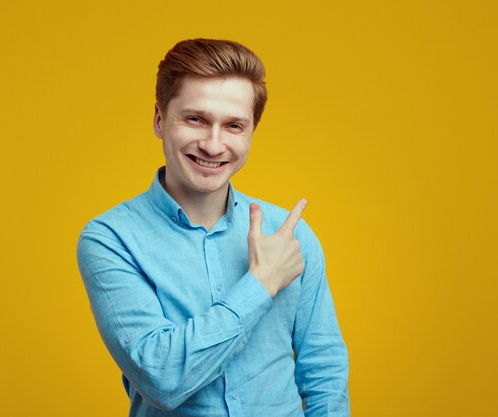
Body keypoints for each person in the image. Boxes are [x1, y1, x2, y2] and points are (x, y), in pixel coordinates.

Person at [77, 38, 349, 417]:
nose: (213, 144)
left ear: (251, 132)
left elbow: (324, 373)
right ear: (159, 120)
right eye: (195, 119)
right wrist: (262, 282)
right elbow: (162, 378)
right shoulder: (111, 239)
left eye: (234, 125)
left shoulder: (291, 235)